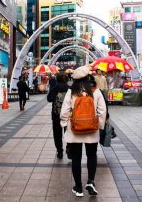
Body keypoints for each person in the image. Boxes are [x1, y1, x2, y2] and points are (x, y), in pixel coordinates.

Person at [60, 66, 107, 197]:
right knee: (92, 156)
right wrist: (100, 126)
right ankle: (91, 181)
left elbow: (64, 112)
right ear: (88, 78)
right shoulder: (95, 91)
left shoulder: (71, 92)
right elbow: (102, 111)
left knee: (76, 159)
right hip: (91, 131)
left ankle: (78, 188)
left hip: (75, 131)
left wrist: (64, 123)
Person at [47, 73, 69, 159]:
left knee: (57, 134)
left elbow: (49, 99)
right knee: (68, 132)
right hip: (67, 115)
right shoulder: (69, 89)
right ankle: (69, 147)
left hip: (56, 115)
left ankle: (60, 151)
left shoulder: (55, 88)